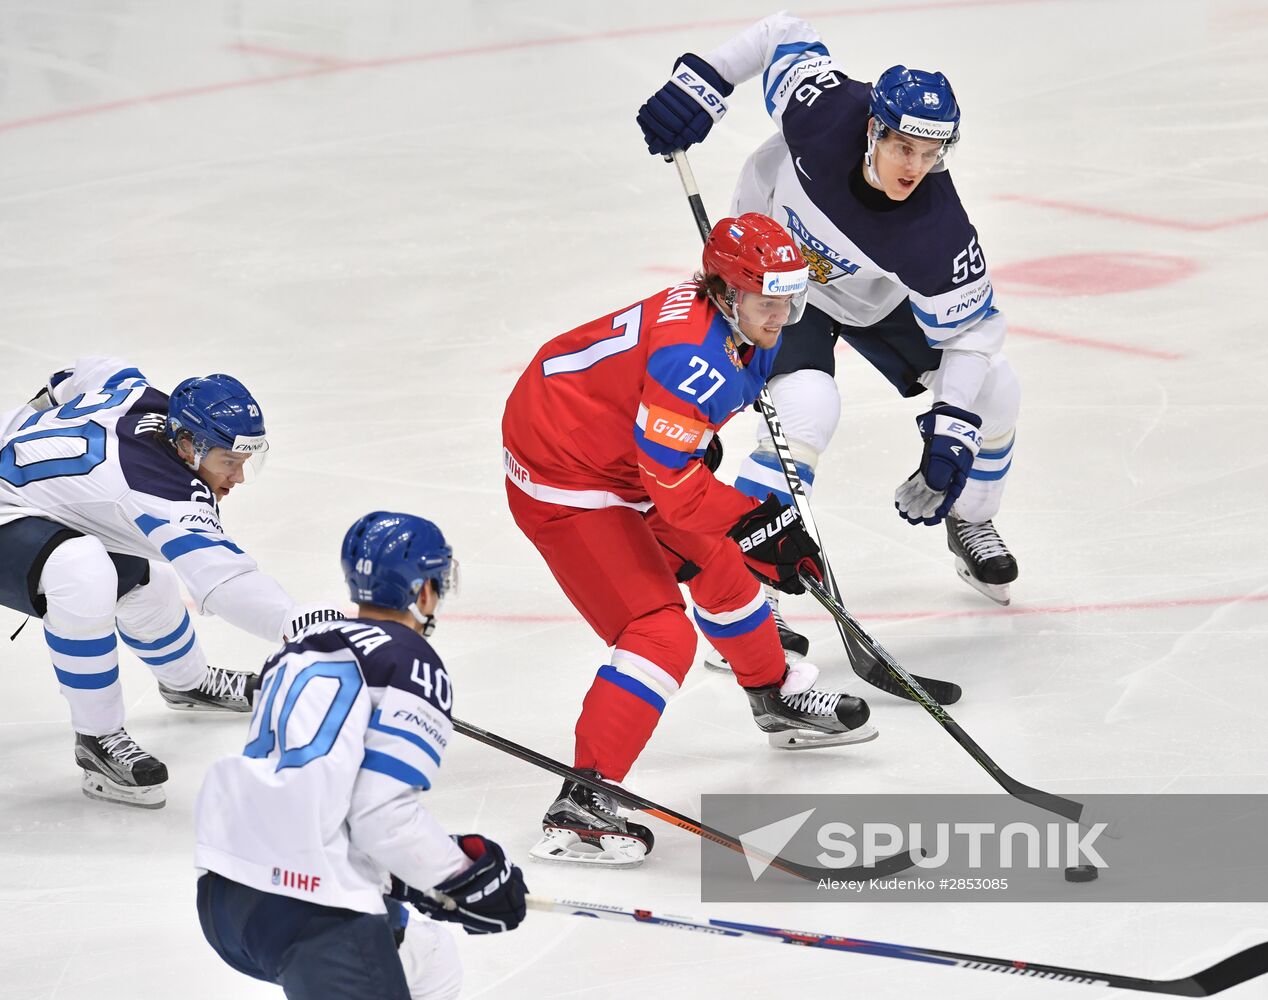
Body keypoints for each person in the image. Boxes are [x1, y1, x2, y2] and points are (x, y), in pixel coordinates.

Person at [501, 211, 877, 869]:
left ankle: (774, 695)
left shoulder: (737, 320)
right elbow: (675, 488)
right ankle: (582, 802)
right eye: (768, 302)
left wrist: (746, 524)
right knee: (659, 632)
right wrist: (757, 522)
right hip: (566, 477)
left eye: (792, 301)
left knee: (723, 570)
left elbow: (677, 455)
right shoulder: (691, 359)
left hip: (610, 450)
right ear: (727, 292)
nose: (782, 316)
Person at [637, 13, 1022, 621]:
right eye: (902, 146)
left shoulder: (936, 231)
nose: (913, 167)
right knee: (808, 408)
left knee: (995, 393)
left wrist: (952, 427)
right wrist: (703, 83)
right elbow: (779, 32)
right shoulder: (823, 111)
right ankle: (741, 592)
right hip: (773, 276)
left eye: (930, 153)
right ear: (873, 129)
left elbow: (974, 333)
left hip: (872, 294)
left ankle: (971, 522)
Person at [195, 511, 526, 1000]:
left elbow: (321, 788)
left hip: (225, 892)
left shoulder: (299, 648)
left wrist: (418, 869)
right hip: (311, 902)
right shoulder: (409, 659)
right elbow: (380, 817)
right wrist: (463, 879)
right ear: (424, 592)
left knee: (430, 963)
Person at [0, 356, 340, 808]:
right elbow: (225, 582)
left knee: (148, 575)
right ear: (186, 444)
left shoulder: (140, 395)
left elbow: (93, 371)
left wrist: (28, 422)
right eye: (228, 461)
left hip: (30, 499)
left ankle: (187, 682)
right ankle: (96, 739)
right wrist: (306, 626)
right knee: (82, 571)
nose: (237, 477)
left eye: (246, 462)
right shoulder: (159, 488)